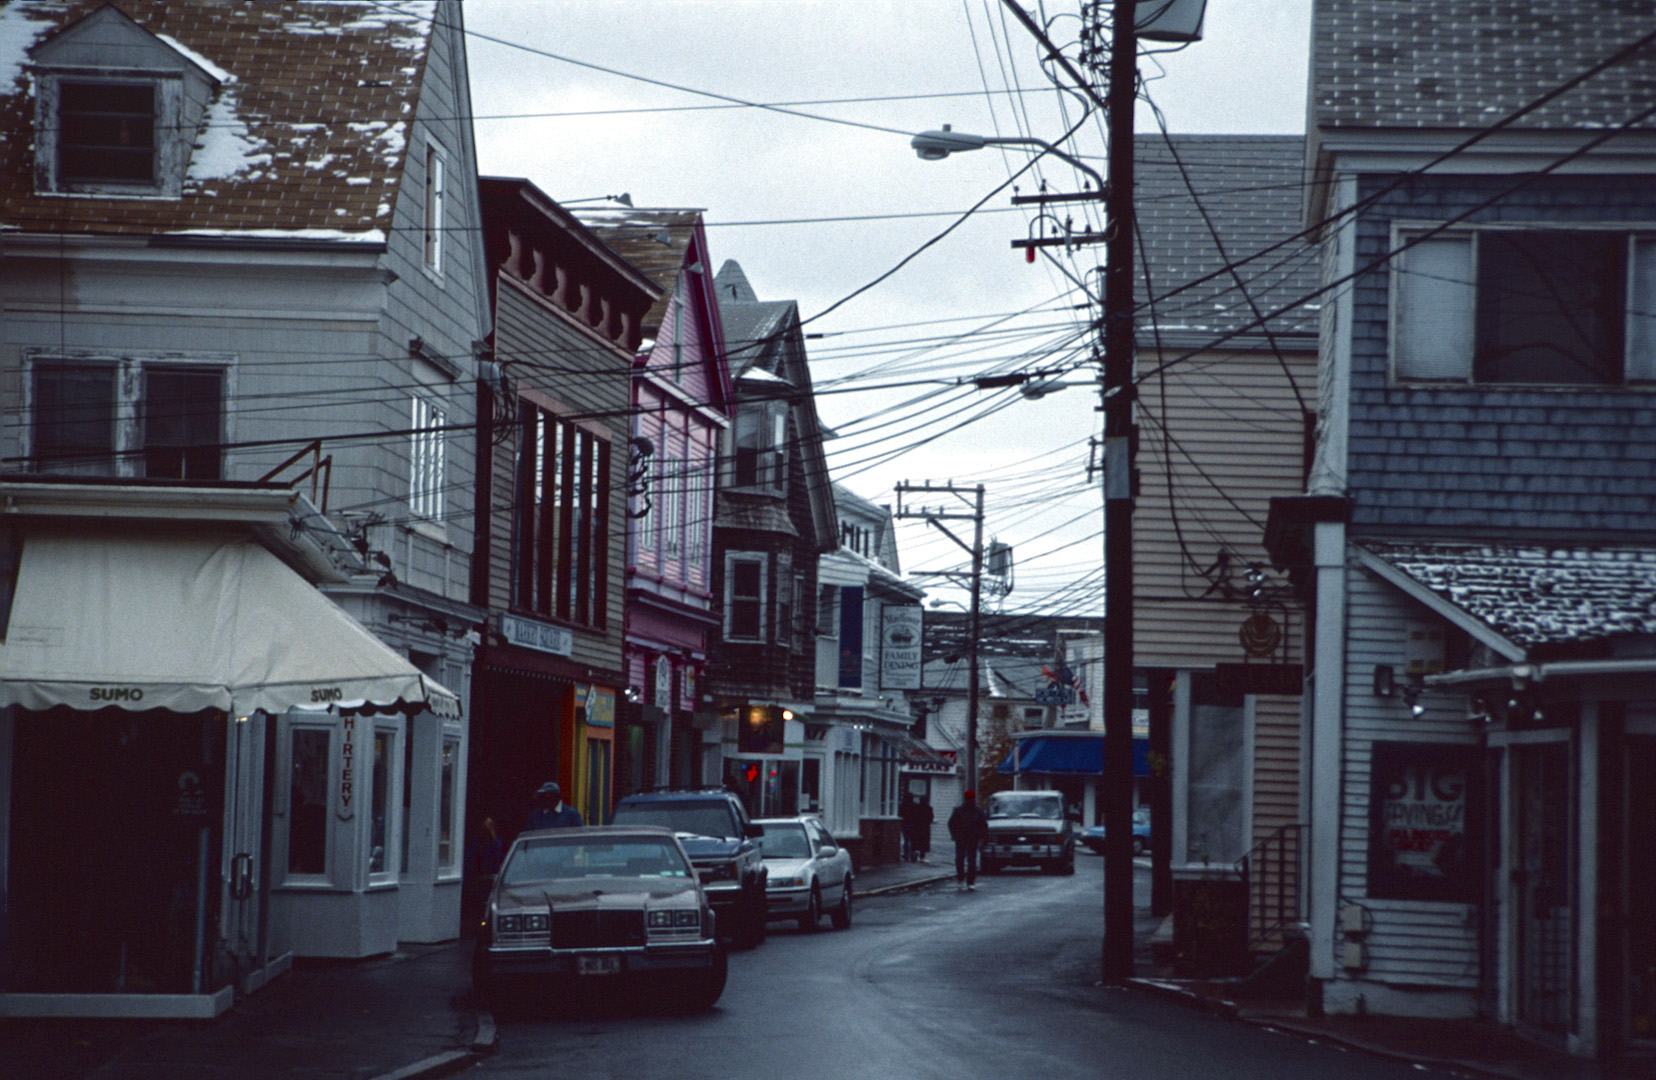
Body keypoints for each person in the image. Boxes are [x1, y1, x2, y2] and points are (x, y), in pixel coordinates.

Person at [947, 789, 988, 890]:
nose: (969, 801)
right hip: (962, 838)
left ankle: (969, 881)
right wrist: (954, 834)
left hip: (972, 839)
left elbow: (983, 825)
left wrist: (979, 835)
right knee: (960, 859)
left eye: (971, 799)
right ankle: (961, 879)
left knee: (971, 861)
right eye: (968, 799)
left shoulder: (976, 811)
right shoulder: (960, 811)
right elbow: (951, 823)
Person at [914, 796, 934, 862]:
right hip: (925, 826)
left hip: (917, 826)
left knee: (917, 840)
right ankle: (922, 856)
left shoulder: (916, 807)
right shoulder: (929, 808)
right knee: (924, 841)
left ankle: (915, 852)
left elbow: (914, 816)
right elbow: (931, 818)